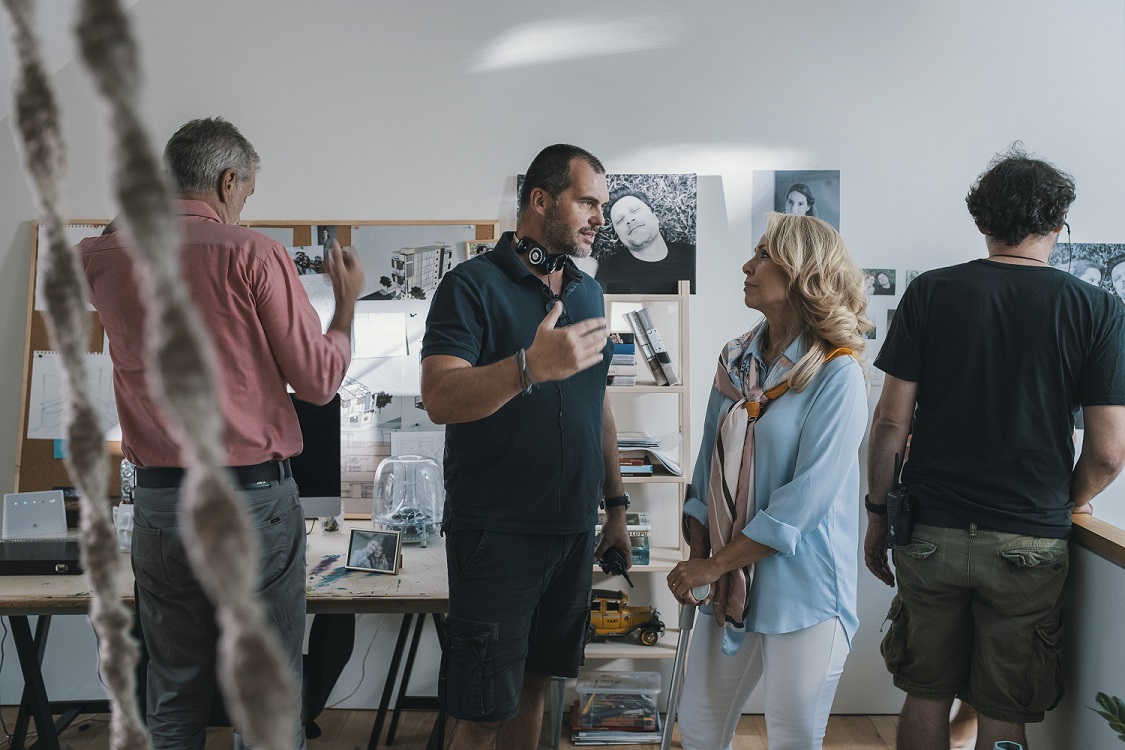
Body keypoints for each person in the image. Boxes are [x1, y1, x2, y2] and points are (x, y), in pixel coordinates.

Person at [80, 117, 365, 749]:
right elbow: (318, 382)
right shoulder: (252, 253)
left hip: (160, 504)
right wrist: (345, 304)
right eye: (246, 194)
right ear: (228, 180)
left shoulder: (103, 258)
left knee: (172, 694)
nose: (242, 209)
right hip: (250, 501)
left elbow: (107, 238)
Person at [865, 146, 1125, 750]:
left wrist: (878, 516)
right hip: (1029, 537)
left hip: (931, 528)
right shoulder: (1098, 308)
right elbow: (1109, 453)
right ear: (1058, 224)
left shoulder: (931, 292)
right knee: (1004, 707)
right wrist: (1067, 501)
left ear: (982, 220)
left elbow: (890, 422)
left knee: (925, 690)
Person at [420, 144, 632, 750]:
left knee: (537, 686)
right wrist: (529, 367)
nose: (599, 218)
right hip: (497, 534)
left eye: (602, 205)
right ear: (540, 199)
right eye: (587, 202)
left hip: (573, 529)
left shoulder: (587, 293)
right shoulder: (469, 286)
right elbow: (439, 396)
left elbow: (596, 404)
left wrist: (615, 507)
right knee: (482, 712)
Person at [665, 212, 870, 749]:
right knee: (700, 727)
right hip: (728, 579)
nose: (746, 266)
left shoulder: (837, 373)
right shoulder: (735, 361)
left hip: (804, 590)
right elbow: (706, 467)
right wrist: (700, 560)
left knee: (791, 737)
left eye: (762, 255)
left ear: (802, 271)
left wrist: (715, 564)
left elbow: (803, 502)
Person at [595, 186, 696, 294]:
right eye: (620, 220)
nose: (629, 220)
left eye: (635, 210)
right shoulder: (610, 273)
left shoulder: (692, 256)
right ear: (617, 234)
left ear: (655, 216)